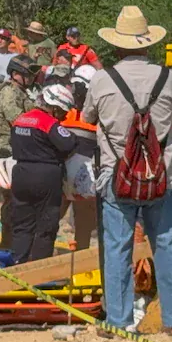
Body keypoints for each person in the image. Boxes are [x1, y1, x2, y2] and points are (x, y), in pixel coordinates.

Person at [83, 5, 172, 338]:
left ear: (117, 45)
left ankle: (118, 321)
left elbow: (88, 118)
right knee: (169, 244)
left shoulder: (103, 79)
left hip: (117, 177)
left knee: (117, 247)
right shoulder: (167, 77)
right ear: (148, 43)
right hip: (162, 176)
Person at [10, 84, 78, 261]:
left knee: (22, 224)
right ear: (54, 107)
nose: (63, 117)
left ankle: (17, 264)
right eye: (63, 112)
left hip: (20, 173)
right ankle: (40, 270)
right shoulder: (48, 122)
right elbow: (69, 143)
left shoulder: (21, 119)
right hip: (45, 176)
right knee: (46, 225)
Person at [0, 55, 40, 251]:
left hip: (17, 147)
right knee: (12, 198)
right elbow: (18, 120)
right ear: (16, 74)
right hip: (7, 148)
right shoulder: (9, 93)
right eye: (27, 75)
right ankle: (8, 243)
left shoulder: (20, 92)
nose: (31, 79)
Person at [60, 65, 99, 250]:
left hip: (85, 175)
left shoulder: (96, 115)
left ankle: (81, 254)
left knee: (83, 223)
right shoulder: (63, 109)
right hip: (62, 173)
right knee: (53, 216)